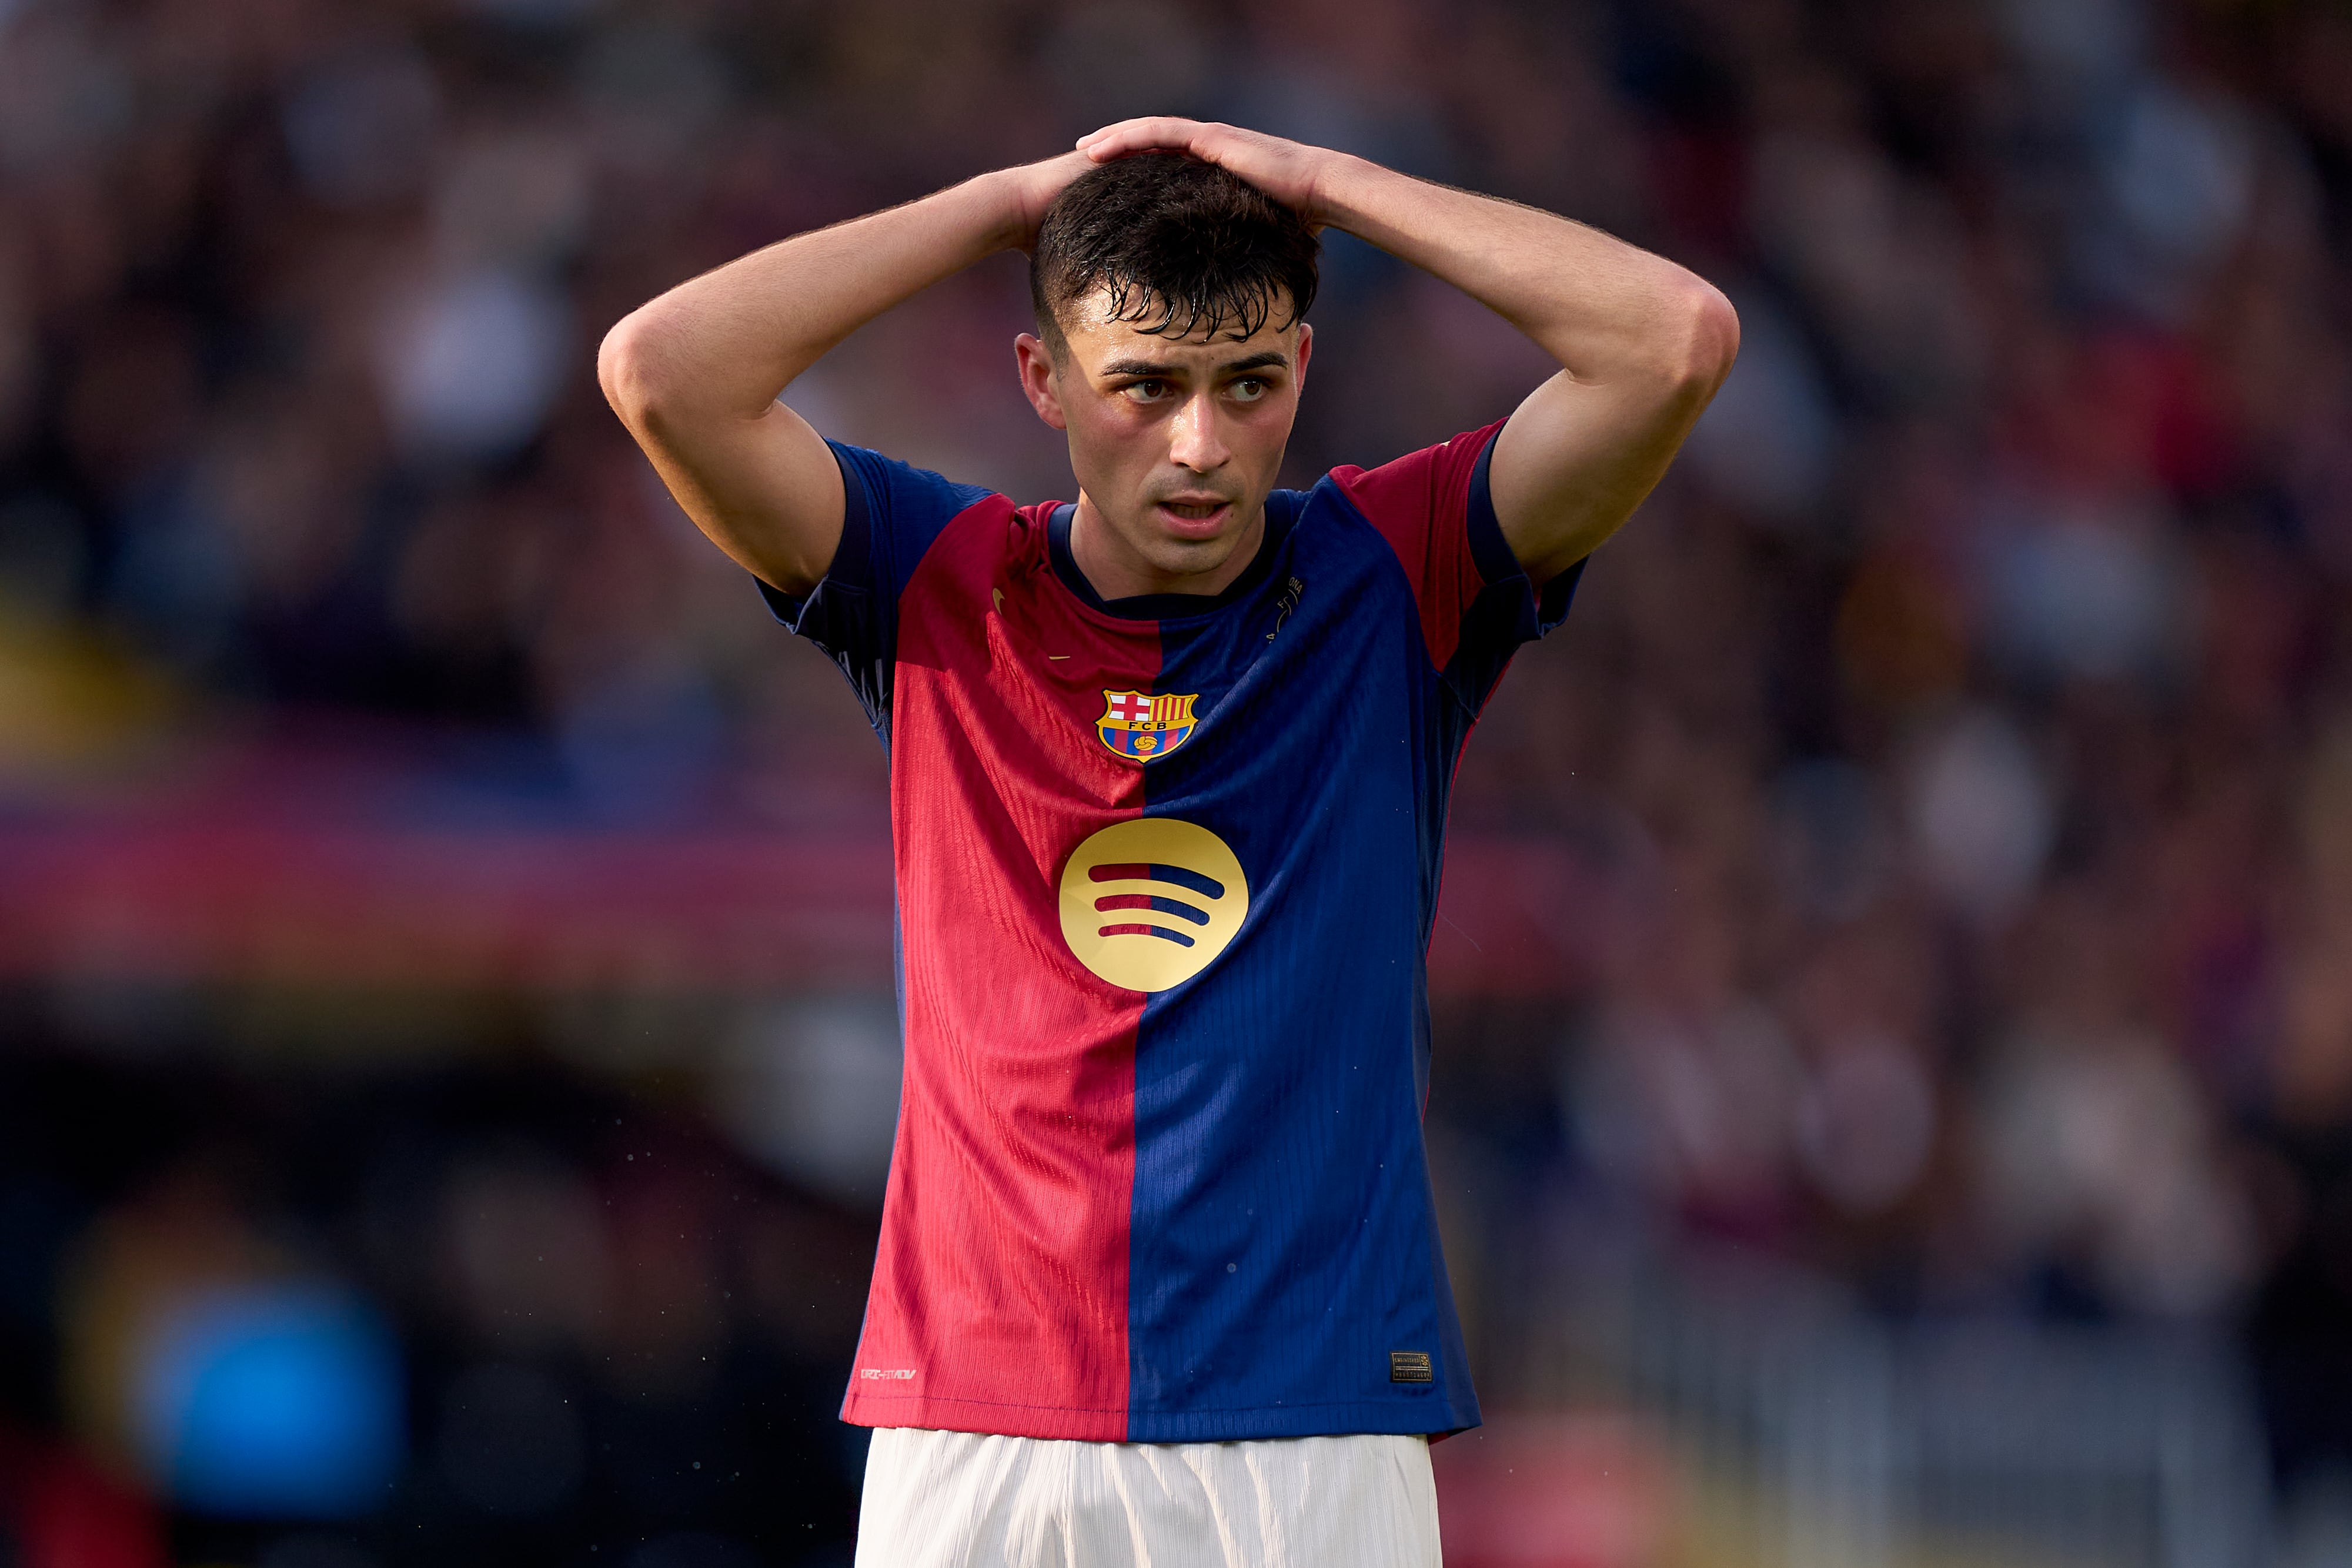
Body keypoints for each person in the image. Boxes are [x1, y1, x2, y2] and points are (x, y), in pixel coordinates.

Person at [599, 116, 1736, 1568]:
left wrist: (1327, 188)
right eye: (1141, 387)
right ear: (1043, 381)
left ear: (1301, 376)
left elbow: (1675, 339)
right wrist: (1004, 203)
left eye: (1245, 385)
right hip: (980, 1420)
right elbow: (658, 373)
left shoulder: (1394, 573)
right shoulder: (936, 576)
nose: (1199, 445)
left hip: (1309, 1426)